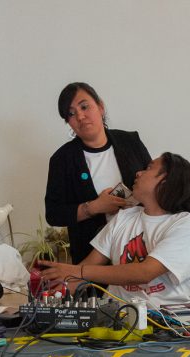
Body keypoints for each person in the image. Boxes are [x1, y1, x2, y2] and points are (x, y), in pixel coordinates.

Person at [38, 153, 190, 309]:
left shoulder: (184, 224)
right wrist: (58, 291)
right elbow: (86, 268)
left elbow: (145, 272)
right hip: (114, 317)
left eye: (148, 168)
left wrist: (79, 272)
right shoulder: (124, 217)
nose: (138, 173)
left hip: (164, 324)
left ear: (166, 180)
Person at [44, 82, 152, 264]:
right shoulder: (62, 159)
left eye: (85, 106)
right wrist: (93, 207)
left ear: (100, 107)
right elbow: (54, 213)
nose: (80, 116)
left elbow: (153, 184)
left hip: (141, 247)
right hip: (92, 256)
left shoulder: (130, 141)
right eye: (71, 113)